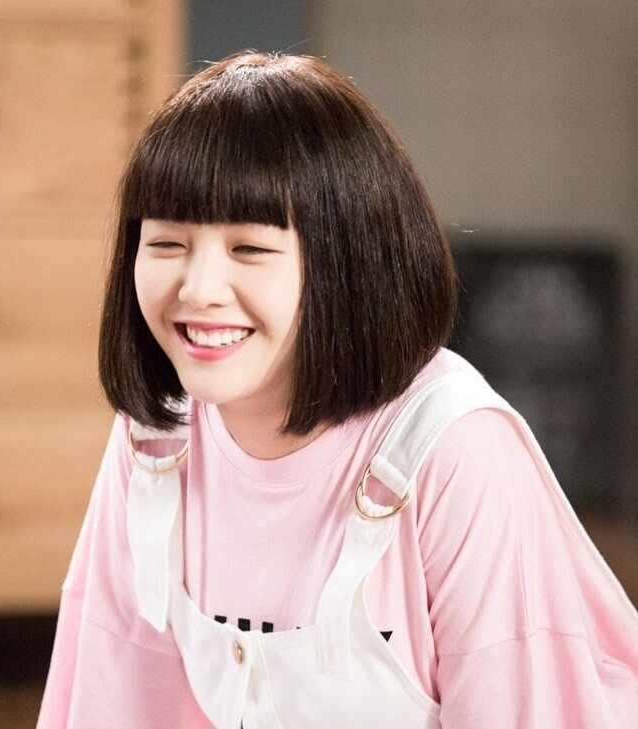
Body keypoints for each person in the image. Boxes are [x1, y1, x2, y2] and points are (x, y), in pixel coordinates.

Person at [36, 51, 638, 728]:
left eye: (249, 249)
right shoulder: (157, 440)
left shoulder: (455, 452)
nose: (197, 290)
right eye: (167, 244)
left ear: (347, 261)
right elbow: (109, 700)